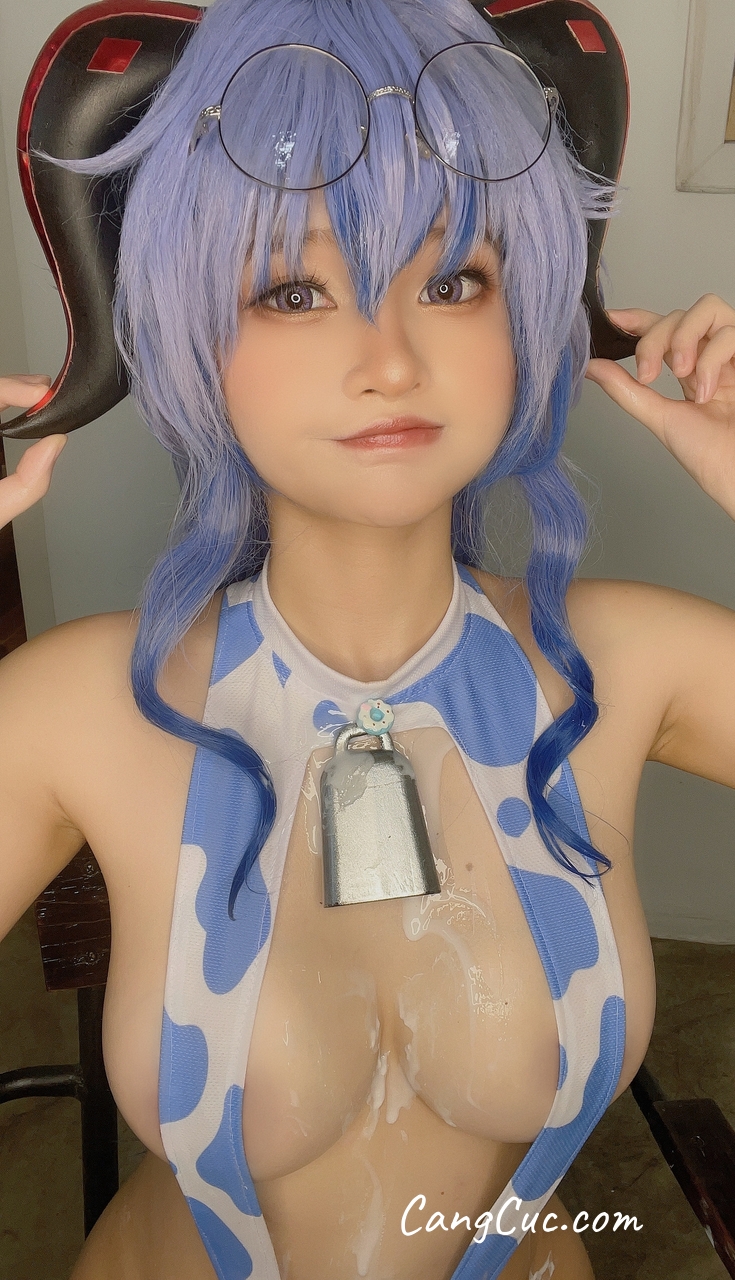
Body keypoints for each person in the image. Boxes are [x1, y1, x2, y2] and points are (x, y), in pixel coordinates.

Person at [1, 0, 735, 1276]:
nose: (390, 359)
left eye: (453, 281)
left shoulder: (633, 664)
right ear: (185, 330)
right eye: (294, 289)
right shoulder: (74, 708)